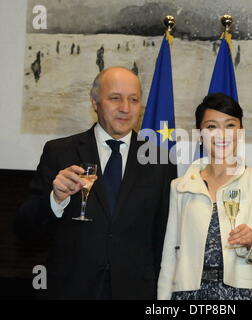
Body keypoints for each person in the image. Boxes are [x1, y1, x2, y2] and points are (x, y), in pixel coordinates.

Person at [16, 67, 176, 299]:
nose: (125, 108)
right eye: (115, 98)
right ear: (94, 101)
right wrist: (55, 199)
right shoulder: (60, 152)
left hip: (136, 291)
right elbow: (25, 230)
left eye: (134, 99)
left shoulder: (161, 162)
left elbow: (165, 238)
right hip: (71, 289)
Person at [157, 93, 252, 300]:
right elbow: (170, 257)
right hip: (188, 294)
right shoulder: (181, 186)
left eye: (230, 125)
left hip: (240, 293)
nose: (222, 134)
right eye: (212, 126)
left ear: (240, 132)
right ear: (199, 135)